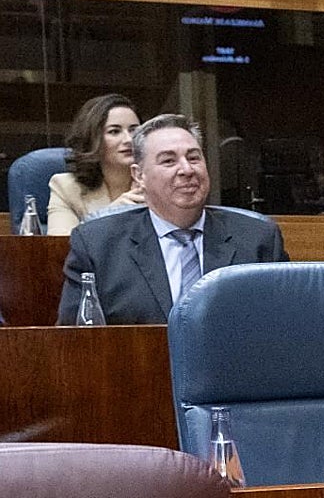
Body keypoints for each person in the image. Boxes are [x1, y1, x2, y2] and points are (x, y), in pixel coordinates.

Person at [58, 113, 289, 325]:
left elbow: (286, 328)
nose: (187, 169)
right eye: (169, 161)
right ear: (139, 176)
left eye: (194, 157)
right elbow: (76, 343)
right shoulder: (98, 246)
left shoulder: (258, 239)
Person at [48, 94, 145, 235]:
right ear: (92, 139)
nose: (129, 139)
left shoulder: (157, 182)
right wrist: (108, 215)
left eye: (134, 130)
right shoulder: (65, 187)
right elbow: (61, 247)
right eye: (114, 131)